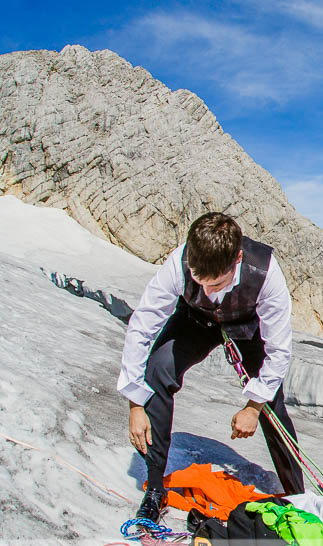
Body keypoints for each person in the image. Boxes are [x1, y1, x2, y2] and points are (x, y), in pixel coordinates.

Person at [118, 212, 304, 521]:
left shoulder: (266, 273)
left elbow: (278, 350)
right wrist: (136, 402)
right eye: (199, 281)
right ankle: (154, 487)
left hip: (247, 326)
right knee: (157, 371)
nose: (208, 292)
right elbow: (144, 323)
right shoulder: (179, 263)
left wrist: (254, 406)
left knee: (274, 405)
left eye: (216, 283)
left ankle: (298, 495)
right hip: (195, 321)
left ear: (238, 259)